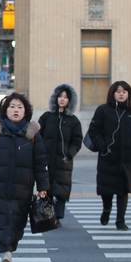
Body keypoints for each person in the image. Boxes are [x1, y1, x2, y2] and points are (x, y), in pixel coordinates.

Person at [0, 92, 49, 262]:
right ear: (5, 110)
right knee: (1, 218)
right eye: (12, 107)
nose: (16, 110)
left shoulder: (32, 133)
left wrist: (43, 186)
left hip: (23, 185)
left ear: (26, 111)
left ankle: (10, 248)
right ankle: (6, 253)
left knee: (17, 220)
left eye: (20, 107)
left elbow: (40, 161)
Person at [88, 81, 131, 230]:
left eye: (124, 91)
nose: (121, 94)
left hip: (128, 158)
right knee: (107, 189)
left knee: (123, 190)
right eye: (118, 91)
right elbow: (94, 130)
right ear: (112, 93)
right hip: (108, 157)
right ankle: (106, 210)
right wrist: (102, 147)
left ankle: (120, 220)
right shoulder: (103, 110)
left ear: (129, 94)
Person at [37, 83, 83, 221]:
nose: (62, 99)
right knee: (47, 187)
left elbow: (77, 141)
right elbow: (38, 136)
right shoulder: (46, 117)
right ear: (55, 98)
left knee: (62, 189)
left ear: (70, 100)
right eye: (60, 96)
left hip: (63, 161)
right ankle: (48, 216)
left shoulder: (73, 121)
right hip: (47, 160)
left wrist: (69, 154)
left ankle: (58, 214)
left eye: (66, 97)